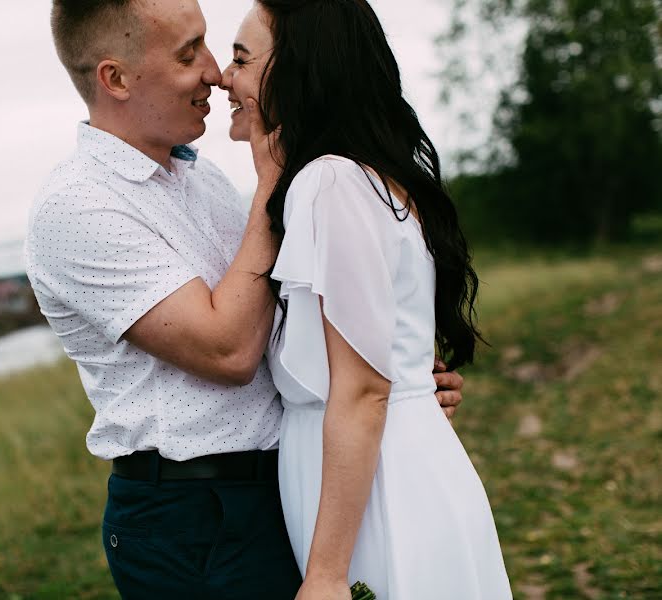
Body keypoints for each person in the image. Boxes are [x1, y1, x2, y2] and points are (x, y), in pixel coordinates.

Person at [25, 1, 464, 598]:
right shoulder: (77, 208)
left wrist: (394, 371)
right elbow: (229, 350)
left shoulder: (201, 179)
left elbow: (287, 318)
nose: (213, 71)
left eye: (216, 48)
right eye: (188, 54)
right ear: (116, 78)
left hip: (283, 484)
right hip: (192, 515)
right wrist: (270, 188)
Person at [219, 1, 513, 598]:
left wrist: (326, 575)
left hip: (380, 502)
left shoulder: (328, 183)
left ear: (298, 73)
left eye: (243, 60)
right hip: (379, 477)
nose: (226, 77)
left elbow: (362, 389)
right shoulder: (356, 178)